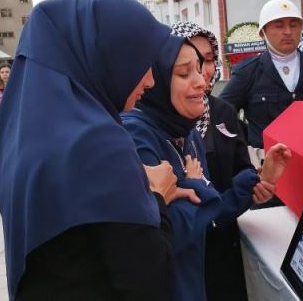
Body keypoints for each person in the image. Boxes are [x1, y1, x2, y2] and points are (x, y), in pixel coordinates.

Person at [0, 0, 199, 300]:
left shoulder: (20, 132)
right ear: (109, 57)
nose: (150, 80)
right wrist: (156, 198)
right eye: (140, 62)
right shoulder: (97, 141)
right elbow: (149, 280)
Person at [122, 32, 292, 301]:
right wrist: (196, 185)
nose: (202, 82)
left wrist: (255, 183)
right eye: (184, 73)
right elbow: (163, 238)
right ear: (157, 79)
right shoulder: (135, 137)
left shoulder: (186, 132)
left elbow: (209, 215)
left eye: (201, 70)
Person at [170, 21, 252, 300]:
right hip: (185, 248)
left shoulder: (224, 112)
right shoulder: (160, 123)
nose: (202, 70)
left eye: (207, 60)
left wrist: (256, 184)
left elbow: (243, 167)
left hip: (224, 245)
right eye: (190, 63)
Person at [220, 0, 303, 152]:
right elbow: (220, 114)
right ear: (263, 33)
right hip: (267, 167)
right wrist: (248, 141)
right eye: (279, 25)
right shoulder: (248, 72)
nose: (288, 32)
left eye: (293, 24)